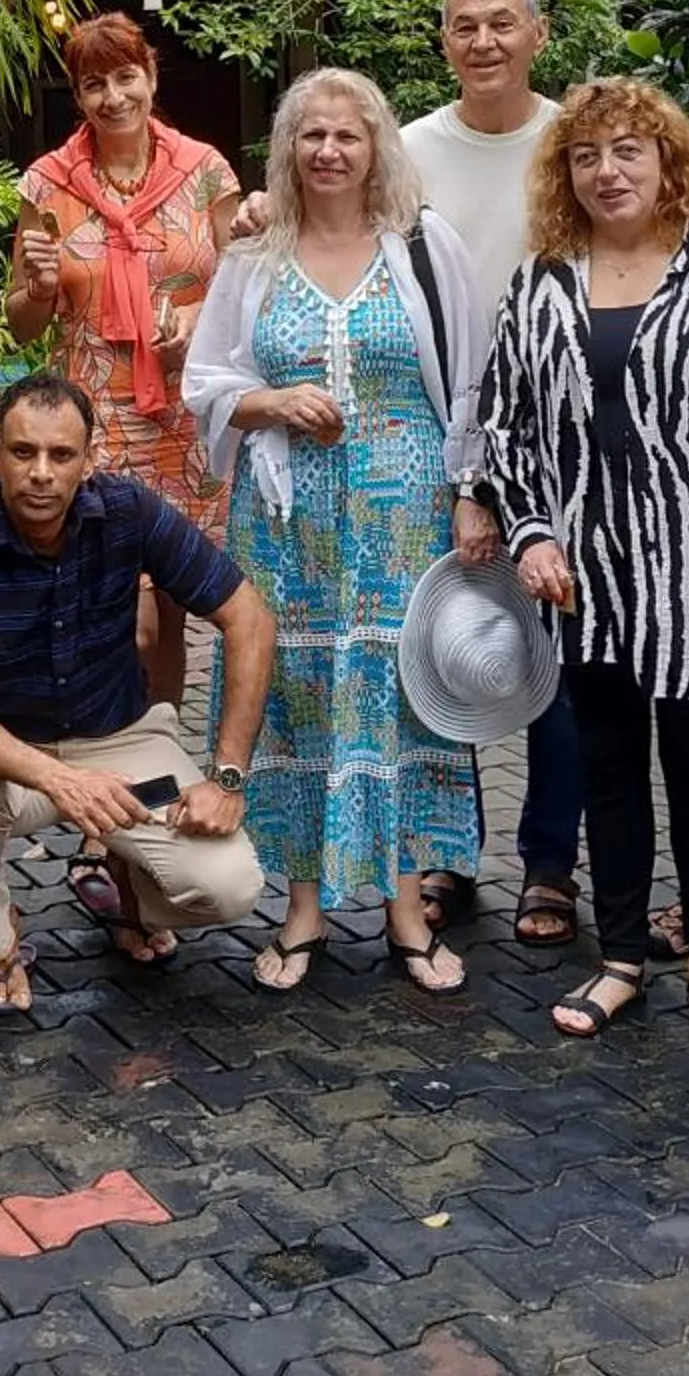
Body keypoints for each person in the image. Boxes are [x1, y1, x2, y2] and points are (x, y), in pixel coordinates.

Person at [475, 78, 689, 1059]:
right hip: (588, 578)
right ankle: (621, 958)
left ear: (669, 162)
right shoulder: (545, 277)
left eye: (628, 151)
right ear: (563, 174)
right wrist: (531, 532)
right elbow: (509, 421)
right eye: (585, 156)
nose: (606, 171)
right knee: (609, 773)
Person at [183, 67, 487, 993]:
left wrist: (472, 493)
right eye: (311, 136)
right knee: (299, 694)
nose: (328, 151)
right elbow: (204, 383)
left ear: (375, 146)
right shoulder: (253, 257)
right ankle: (304, 911)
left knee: (397, 702)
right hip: (289, 526)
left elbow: (473, 382)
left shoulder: (426, 246)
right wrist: (267, 401)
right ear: (287, 148)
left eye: (346, 136)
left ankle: (404, 907)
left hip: (406, 524)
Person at [0, 373, 275, 1015]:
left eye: (61, 455)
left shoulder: (129, 510)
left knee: (232, 886)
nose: (41, 473)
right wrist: (58, 779)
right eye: (23, 453)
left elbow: (250, 620)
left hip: (124, 743)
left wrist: (228, 777)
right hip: (7, 756)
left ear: (88, 459)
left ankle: (132, 895)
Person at [399, 0, 580, 948]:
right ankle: (446, 851)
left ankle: (550, 864)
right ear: (445, 41)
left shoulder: (574, 142)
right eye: (464, 27)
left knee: (554, 646)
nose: (483, 42)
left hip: (564, 435)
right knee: (447, 635)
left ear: (537, 35)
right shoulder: (411, 150)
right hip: (440, 431)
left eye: (502, 24)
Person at [2, 12, 243, 705]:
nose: (113, 97)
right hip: (92, 423)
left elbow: (243, 288)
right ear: (77, 96)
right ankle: (110, 753)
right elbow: (21, 324)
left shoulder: (205, 173)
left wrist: (198, 318)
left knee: (169, 610)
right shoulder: (47, 185)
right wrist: (42, 289)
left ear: (151, 75)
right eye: (93, 84)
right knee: (124, 617)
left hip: (183, 420)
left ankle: (155, 766)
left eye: (125, 77)